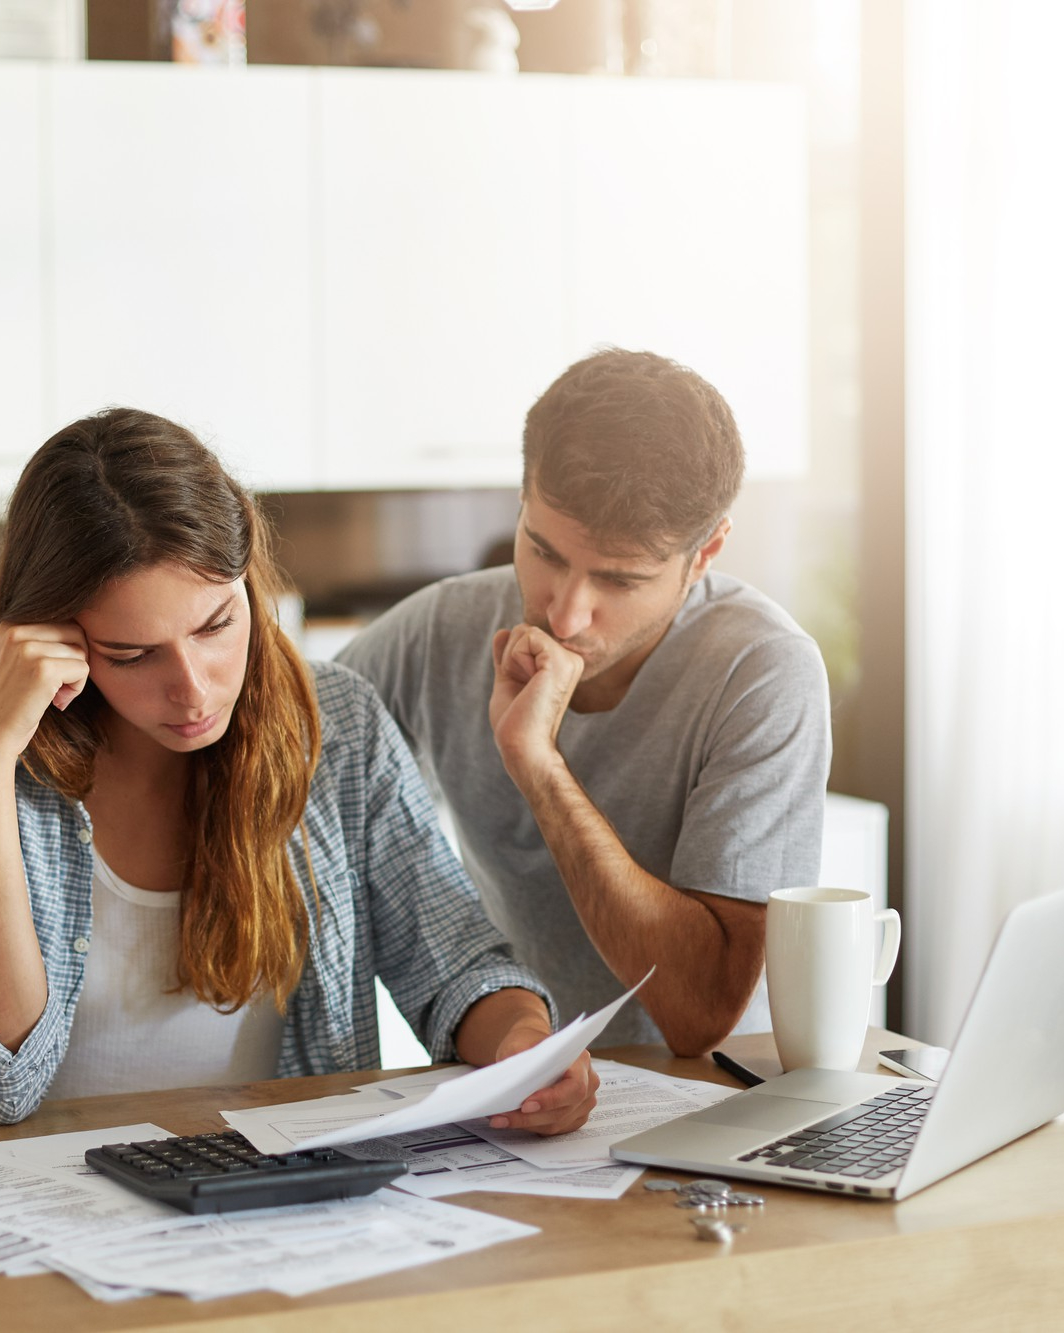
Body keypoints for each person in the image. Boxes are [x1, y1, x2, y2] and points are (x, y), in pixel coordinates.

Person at [0, 407, 601, 1128]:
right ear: (51, 636)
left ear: (250, 587)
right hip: (35, 1187)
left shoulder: (337, 721)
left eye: (216, 626)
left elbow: (455, 964)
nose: (193, 690)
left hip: (268, 1182)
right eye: (132, 654)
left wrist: (524, 1044)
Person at [337, 349, 832, 1057]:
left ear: (705, 552)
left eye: (620, 581)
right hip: (521, 1077)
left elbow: (699, 1014)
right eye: (544, 552)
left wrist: (539, 767)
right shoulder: (439, 630)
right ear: (521, 498)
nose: (565, 614)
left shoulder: (760, 670)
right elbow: (283, 749)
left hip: (707, 1091)